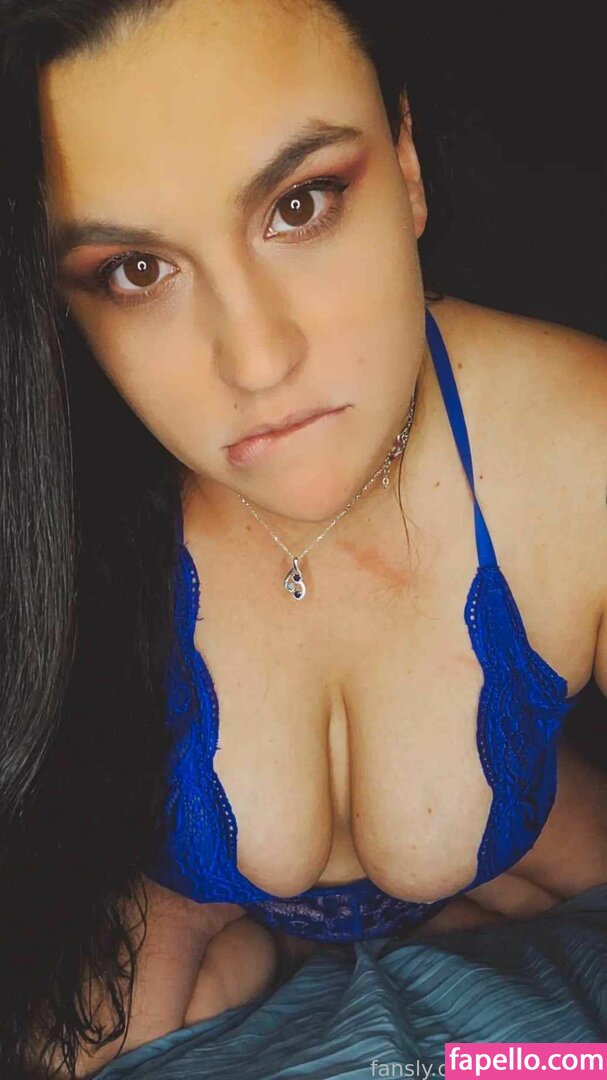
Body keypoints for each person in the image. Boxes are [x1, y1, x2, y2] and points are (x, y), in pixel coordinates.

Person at [0, 0, 606, 1076]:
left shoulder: (578, 450)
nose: (255, 359)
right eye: (135, 270)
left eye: (300, 203)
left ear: (407, 165)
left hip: (531, 870)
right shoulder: (59, 503)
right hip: (195, 923)